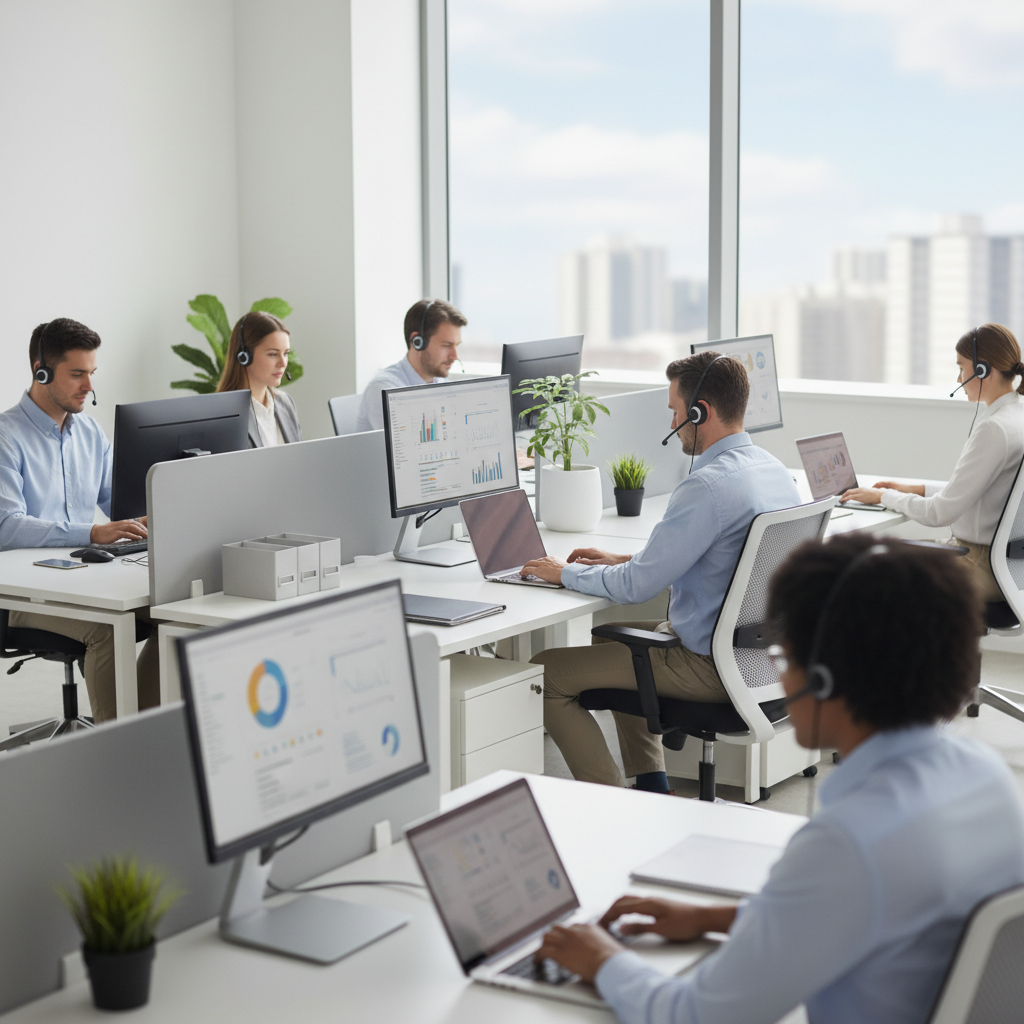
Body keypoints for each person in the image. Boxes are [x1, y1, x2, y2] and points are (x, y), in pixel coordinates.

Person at [535, 534, 1024, 1024]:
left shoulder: (847, 843)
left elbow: (696, 1016)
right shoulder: (984, 775)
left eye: (783, 659)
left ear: (824, 679)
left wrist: (602, 960)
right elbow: (878, 911)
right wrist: (715, 917)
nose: (779, 678)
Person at [522, 351, 800, 793]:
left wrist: (564, 574)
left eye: (675, 411)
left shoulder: (706, 486)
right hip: (764, 662)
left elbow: (637, 588)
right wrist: (623, 560)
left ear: (699, 412)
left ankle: (613, 805)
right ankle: (652, 782)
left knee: (544, 673)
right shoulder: (775, 472)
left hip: (710, 666)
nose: (672, 423)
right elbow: (720, 560)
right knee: (608, 636)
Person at [0, 318, 159, 722]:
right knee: (105, 629)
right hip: (19, 595)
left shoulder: (90, 433)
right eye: (77, 374)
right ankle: (119, 746)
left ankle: (145, 725)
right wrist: (92, 532)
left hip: (82, 580)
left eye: (92, 373)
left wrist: (154, 513)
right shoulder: (5, 437)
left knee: (171, 613)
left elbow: (118, 504)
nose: (89, 386)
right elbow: (7, 526)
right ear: (41, 371)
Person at [840, 322, 1024, 601]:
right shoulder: (1016, 418)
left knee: (865, 566)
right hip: (1008, 569)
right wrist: (915, 489)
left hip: (979, 567)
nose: (959, 378)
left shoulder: (994, 429)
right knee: (881, 556)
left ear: (982, 369)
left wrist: (882, 497)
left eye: (961, 367)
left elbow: (940, 513)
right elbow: (974, 494)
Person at [355, 298, 466, 432]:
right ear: (417, 341)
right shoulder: (385, 390)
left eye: (456, 346)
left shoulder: (440, 382)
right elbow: (411, 443)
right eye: (446, 345)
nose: (455, 356)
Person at [216, 311, 302, 447]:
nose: (283, 363)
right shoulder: (224, 413)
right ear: (244, 357)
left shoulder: (285, 403)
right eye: (273, 354)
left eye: (286, 353)